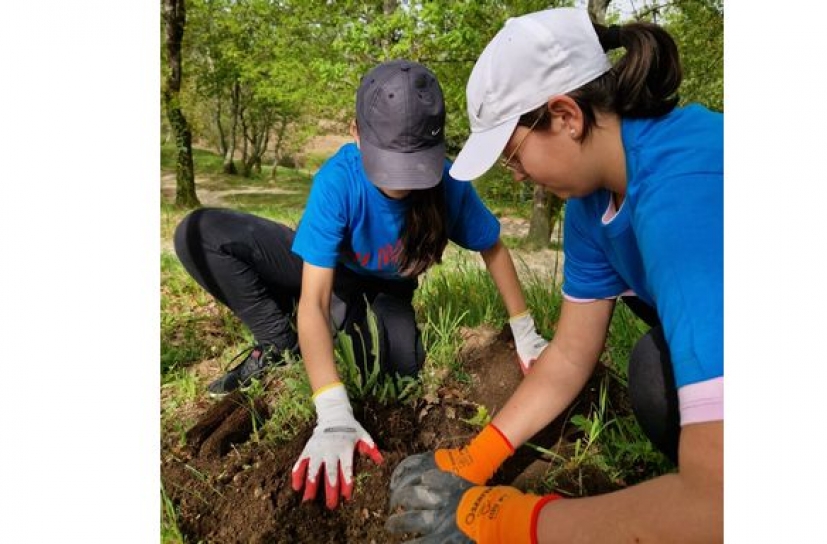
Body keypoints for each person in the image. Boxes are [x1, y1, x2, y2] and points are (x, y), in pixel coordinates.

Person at [386, 8, 722, 543]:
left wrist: (511, 523)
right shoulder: (592, 201)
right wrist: (478, 458)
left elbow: (722, 501)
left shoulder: (684, 194)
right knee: (658, 375)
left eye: (513, 156)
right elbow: (568, 355)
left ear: (566, 116)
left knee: (660, 386)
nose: (517, 176)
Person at [173, 59, 549, 510]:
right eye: (389, 165)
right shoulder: (340, 180)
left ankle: (333, 331)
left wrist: (525, 333)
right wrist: (332, 412)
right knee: (201, 234)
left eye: (415, 168)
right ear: (355, 133)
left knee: (396, 371)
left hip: (386, 292)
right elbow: (312, 298)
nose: (400, 184)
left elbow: (494, 249)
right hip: (325, 272)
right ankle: (278, 343)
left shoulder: (449, 185)